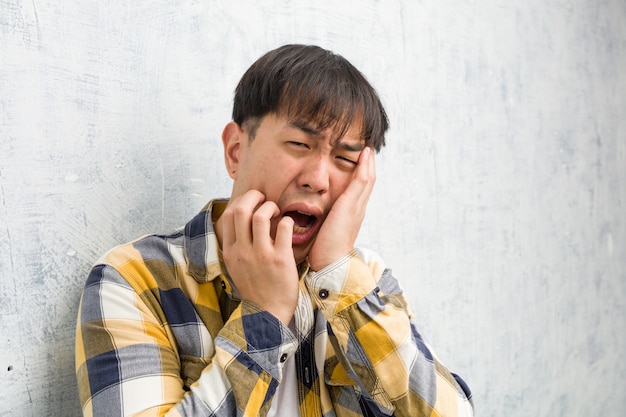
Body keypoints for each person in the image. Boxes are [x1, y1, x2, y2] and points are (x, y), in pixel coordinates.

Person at [75, 44, 474, 417]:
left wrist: (337, 274)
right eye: (300, 144)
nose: (318, 179)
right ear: (235, 150)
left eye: (345, 158)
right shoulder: (134, 278)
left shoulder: (363, 277)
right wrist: (265, 315)